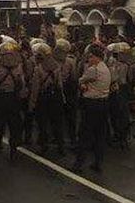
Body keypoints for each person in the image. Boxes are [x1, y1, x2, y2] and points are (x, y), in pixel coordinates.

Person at [72, 44, 111, 173]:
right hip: (104, 103)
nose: (89, 59)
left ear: (96, 57)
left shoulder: (93, 69)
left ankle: (79, 164)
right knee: (100, 134)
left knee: (85, 134)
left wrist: (83, 85)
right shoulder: (105, 68)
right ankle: (98, 162)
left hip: (91, 104)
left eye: (90, 57)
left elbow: (80, 81)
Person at [0, 40, 25, 161]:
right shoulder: (18, 68)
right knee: (14, 125)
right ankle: (13, 151)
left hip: (0, 98)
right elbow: (22, 84)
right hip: (14, 99)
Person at [30, 43, 65, 156]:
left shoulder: (38, 68)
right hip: (56, 97)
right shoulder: (56, 67)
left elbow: (35, 88)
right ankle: (61, 146)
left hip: (43, 98)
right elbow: (60, 84)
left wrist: (32, 103)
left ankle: (44, 146)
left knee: (43, 123)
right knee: (57, 123)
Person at [54, 38, 78, 146]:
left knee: (58, 117)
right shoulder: (71, 61)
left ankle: (59, 139)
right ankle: (72, 138)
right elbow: (74, 77)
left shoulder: (51, 61)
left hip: (58, 90)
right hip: (67, 90)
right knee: (70, 118)